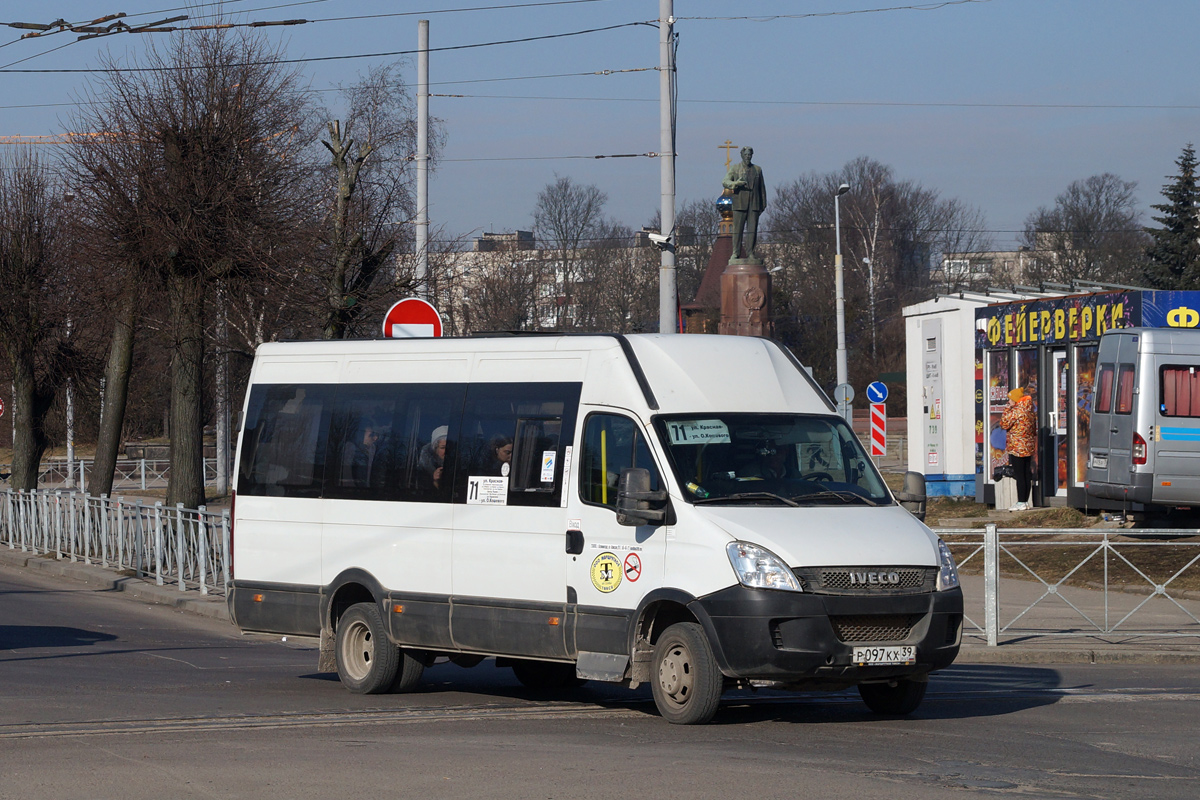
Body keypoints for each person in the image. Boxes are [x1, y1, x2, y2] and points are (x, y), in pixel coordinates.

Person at [722, 146, 767, 261]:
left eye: (749, 155)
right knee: (738, 230)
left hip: (754, 204)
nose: (748, 157)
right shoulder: (735, 168)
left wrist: (762, 205)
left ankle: (750, 252)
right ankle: (736, 252)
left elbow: (762, 188)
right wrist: (736, 183)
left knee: (752, 230)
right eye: (746, 155)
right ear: (742, 155)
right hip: (739, 203)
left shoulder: (757, 169)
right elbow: (725, 181)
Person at [999, 387, 1037, 511]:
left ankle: (1020, 501)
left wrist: (1007, 409)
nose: (1008, 402)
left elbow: (1004, 423)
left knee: (1019, 475)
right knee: (1026, 473)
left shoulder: (1016, 411)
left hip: (1017, 447)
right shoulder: (1030, 410)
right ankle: (1025, 501)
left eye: (1010, 400)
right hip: (1028, 446)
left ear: (1016, 400)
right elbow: (1033, 430)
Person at [417, 425, 449, 497]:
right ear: (435, 449)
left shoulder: (462, 465)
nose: (446, 451)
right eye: (442, 447)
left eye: (449, 447)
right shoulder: (423, 470)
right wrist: (435, 481)